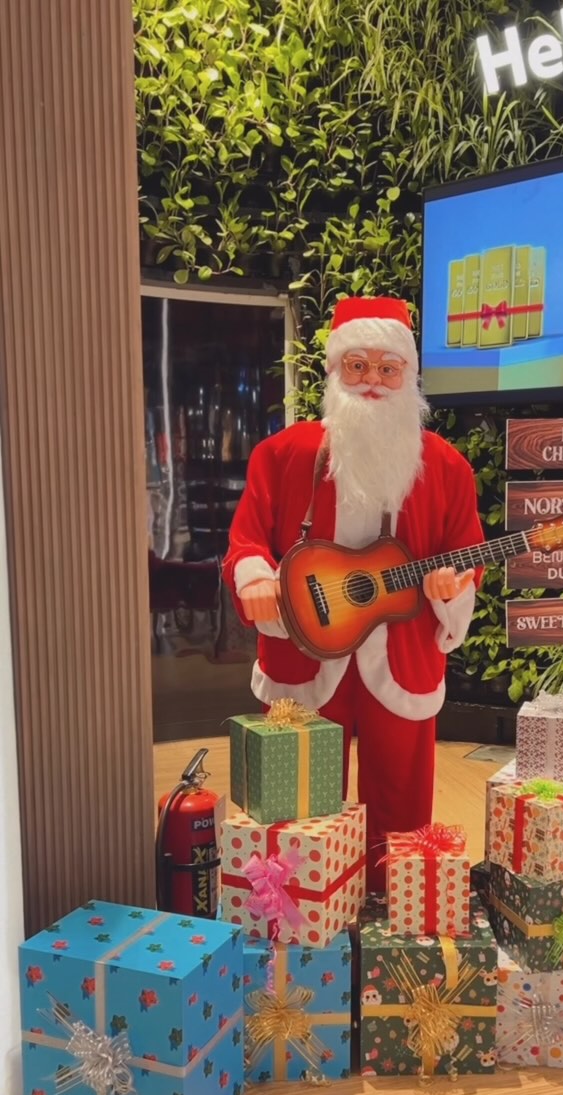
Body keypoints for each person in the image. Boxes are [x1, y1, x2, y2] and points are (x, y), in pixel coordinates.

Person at [222, 296, 485, 890]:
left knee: (401, 803)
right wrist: (258, 580)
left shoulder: (447, 468)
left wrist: (453, 583)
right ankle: (295, 901)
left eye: (387, 369)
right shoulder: (282, 454)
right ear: (335, 370)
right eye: (358, 365)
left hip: (403, 652)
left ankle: (397, 902)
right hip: (303, 648)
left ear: (408, 375)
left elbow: (466, 552)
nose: (372, 381)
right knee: (295, 803)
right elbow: (247, 539)